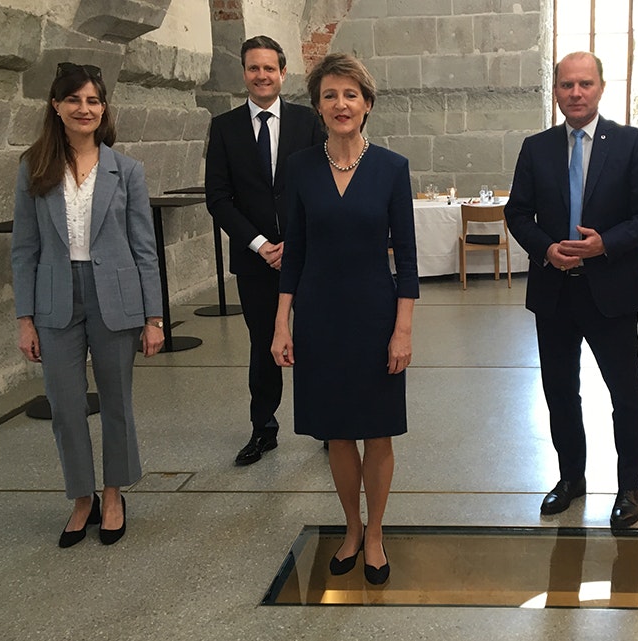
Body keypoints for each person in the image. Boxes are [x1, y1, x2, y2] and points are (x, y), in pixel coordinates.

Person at [271, 53, 417, 586]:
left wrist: (403, 329)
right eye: (330, 95)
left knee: (377, 431)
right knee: (336, 432)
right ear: (318, 106)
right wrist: (281, 323)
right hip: (319, 316)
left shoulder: (392, 168)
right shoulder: (302, 168)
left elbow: (407, 255)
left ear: (367, 104)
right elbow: (297, 254)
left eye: (350, 94)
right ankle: (350, 527)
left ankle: (375, 532)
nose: (340, 104)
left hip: (375, 314)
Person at [504, 52, 638, 533]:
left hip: (611, 292)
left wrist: (603, 245)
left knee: (625, 392)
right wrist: (547, 249)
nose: (576, 93)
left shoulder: (633, 144)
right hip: (554, 292)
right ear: (556, 91)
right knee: (559, 392)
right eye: (567, 85)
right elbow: (517, 213)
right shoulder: (537, 148)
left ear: (600, 87)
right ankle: (571, 477)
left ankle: (628, 489)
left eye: (585, 84)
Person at [11, 62, 164, 547]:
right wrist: (25, 318)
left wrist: (154, 316)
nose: (84, 109)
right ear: (56, 106)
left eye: (93, 100)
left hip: (116, 297)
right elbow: (25, 248)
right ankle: (83, 497)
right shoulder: (34, 167)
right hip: (56, 296)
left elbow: (144, 248)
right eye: (74, 100)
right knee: (65, 404)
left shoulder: (127, 170)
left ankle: (114, 493)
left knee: (116, 399)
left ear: (104, 109)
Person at [205, 35, 324, 465]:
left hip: (307, 255)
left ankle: (327, 423)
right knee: (263, 345)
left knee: (315, 339)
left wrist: (296, 241)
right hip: (256, 259)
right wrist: (260, 245)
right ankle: (263, 428)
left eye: (269, 68)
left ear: (283, 73)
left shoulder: (308, 123)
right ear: (244, 74)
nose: (261, 76)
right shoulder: (224, 128)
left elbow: (322, 185)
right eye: (253, 68)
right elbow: (217, 197)